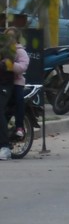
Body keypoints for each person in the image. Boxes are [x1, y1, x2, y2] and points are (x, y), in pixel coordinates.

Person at [1, 27, 27, 159]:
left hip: (16, 83)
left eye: (11, 36)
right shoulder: (3, 50)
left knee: (19, 101)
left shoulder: (19, 51)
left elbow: (22, 67)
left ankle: (19, 126)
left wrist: (10, 64)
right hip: (5, 83)